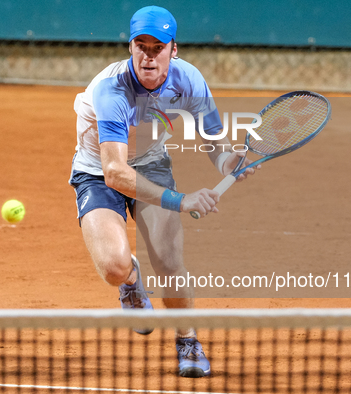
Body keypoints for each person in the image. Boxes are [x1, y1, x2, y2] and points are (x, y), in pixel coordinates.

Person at [69, 6, 259, 378]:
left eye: (158, 47)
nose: (148, 56)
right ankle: (130, 282)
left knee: (170, 262)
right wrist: (181, 199)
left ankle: (188, 340)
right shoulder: (112, 91)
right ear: (130, 47)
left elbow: (213, 140)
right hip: (97, 171)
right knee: (113, 266)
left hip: (152, 162)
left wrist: (227, 163)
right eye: (141, 45)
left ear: (174, 50)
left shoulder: (189, 79)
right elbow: (114, 172)